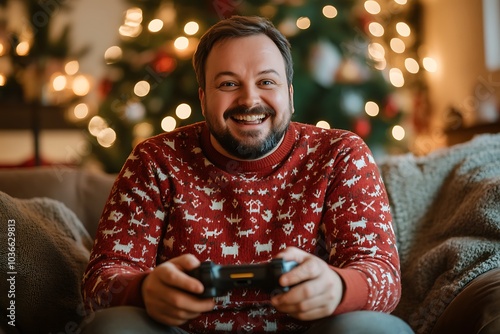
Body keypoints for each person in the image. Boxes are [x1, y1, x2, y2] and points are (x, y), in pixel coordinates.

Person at [81, 15, 413, 334]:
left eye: (267, 82)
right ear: (203, 98)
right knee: (111, 327)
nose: (249, 99)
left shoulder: (341, 154)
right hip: (181, 331)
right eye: (228, 84)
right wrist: (144, 290)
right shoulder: (154, 160)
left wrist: (340, 288)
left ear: (291, 95)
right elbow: (100, 280)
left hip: (313, 330)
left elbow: (382, 275)